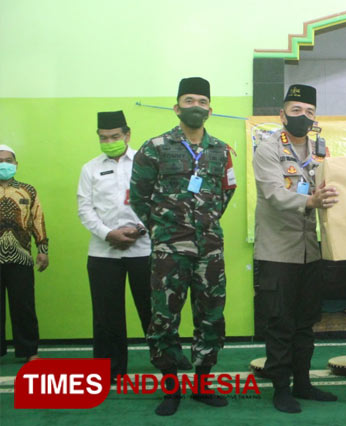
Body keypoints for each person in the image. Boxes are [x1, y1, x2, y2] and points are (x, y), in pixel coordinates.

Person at [130, 77, 237, 415]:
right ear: (177, 108)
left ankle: (203, 383)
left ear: (210, 109)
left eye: (202, 101)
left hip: (209, 248)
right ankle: (171, 387)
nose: (196, 106)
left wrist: (203, 222)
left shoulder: (221, 150)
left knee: (211, 318)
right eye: (188, 100)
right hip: (169, 249)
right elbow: (138, 196)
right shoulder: (155, 147)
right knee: (164, 318)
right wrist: (164, 229)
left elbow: (226, 191)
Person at [253, 84, 339, 413]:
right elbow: (273, 194)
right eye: (296, 110)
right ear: (282, 114)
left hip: (310, 251)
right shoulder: (268, 147)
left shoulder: (320, 148)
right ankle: (280, 388)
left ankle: (303, 383)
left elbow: (334, 185)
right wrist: (311, 200)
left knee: (306, 321)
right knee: (279, 321)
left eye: (309, 112)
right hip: (278, 252)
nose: (303, 116)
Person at [77, 110, 152, 381]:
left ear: (127, 134)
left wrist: (139, 230)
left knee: (154, 309)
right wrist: (108, 234)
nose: (109, 141)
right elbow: (85, 209)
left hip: (144, 248)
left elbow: (158, 201)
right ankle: (109, 371)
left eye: (115, 136)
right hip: (103, 252)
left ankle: (164, 359)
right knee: (107, 316)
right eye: (103, 137)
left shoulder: (146, 163)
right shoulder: (91, 168)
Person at [0, 145, 48, 362]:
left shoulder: (28, 190)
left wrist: (43, 250)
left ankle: (29, 351)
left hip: (21, 257)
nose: (4, 164)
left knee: (24, 306)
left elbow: (37, 220)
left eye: (8, 160)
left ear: (16, 164)